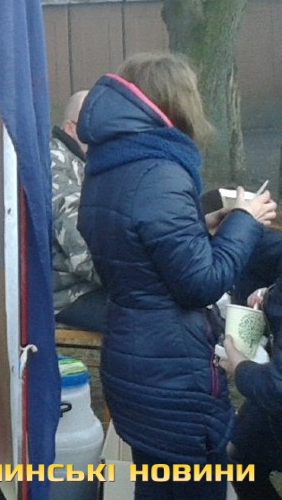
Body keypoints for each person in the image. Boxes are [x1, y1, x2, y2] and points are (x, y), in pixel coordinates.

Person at [77, 52, 276, 500]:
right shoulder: (160, 172)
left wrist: (202, 226)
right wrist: (246, 221)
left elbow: (135, 246)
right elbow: (201, 283)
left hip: (133, 353)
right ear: (178, 101)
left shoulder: (111, 163)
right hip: (171, 369)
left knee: (157, 483)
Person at [50, 89, 108, 332]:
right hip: (67, 295)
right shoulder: (55, 163)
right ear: (71, 128)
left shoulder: (83, 163)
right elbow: (82, 250)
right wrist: (139, 278)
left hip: (86, 286)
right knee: (151, 320)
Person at [221, 273, 282, 500]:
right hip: (270, 390)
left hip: (272, 386)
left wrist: (240, 368)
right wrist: (270, 297)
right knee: (239, 455)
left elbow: (277, 388)